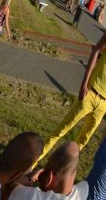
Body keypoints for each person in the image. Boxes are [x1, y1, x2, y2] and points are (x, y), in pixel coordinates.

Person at [36, 30, 106, 165]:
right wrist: (84, 85)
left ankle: (59, 170)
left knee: (82, 142)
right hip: (90, 93)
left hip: (103, 105)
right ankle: (33, 162)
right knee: (61, 130)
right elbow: (96, 50)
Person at [4, 141, 87, 200]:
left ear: (50, 178)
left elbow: (6, 186)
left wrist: (30, 178)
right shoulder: (83, 192)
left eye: (44, 173)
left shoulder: (31, 196)